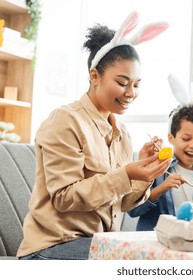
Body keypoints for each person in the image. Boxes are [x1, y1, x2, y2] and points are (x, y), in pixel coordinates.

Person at [17, 12, 171, 260]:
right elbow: (64, 198)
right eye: (122, 82)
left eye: (137, 84)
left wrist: (144, 173)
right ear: (94, 76)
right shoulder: (65, 121)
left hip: (99, 243)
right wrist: (127, 173)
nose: (131, 93)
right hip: (51, 247)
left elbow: (123, 204)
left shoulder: (122, 132)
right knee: (138, 261)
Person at [128, 103, 193, 230]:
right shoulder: (156, 168)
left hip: (188, 246)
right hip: (155, 245)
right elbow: (132, 210)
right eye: (186, 138)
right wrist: (161, 188)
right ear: (171, 138)